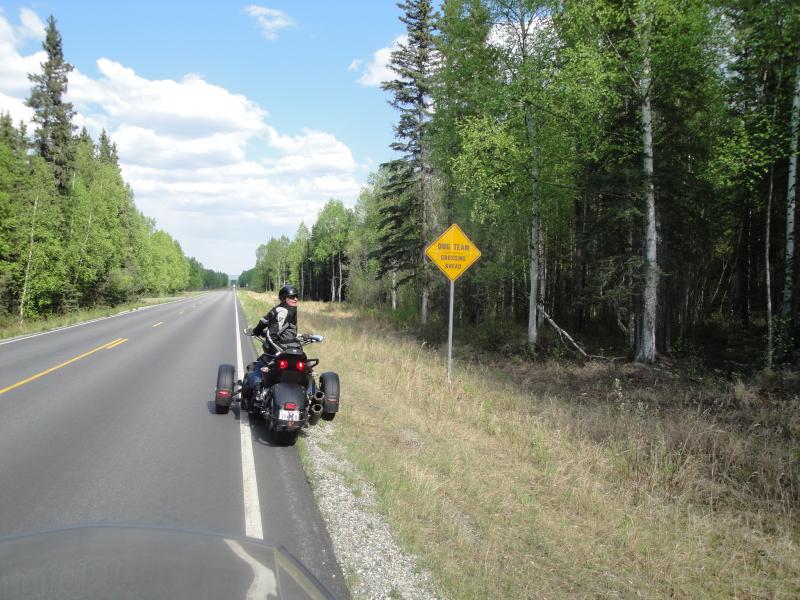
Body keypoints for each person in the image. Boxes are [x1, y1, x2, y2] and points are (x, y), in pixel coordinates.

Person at [241, 284, 300, 405]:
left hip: (284, 350)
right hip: (282, 350)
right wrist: (280, 351)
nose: (295, 299)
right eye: (292, 297)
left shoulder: (282, 309)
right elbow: (271, 335)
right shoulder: (283, 311)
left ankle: (258, 392)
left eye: (296, 296)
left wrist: (256, 331)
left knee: (259, 367)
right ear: (284, 299)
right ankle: (258, 391)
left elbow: (264, 322)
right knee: (262, 366)